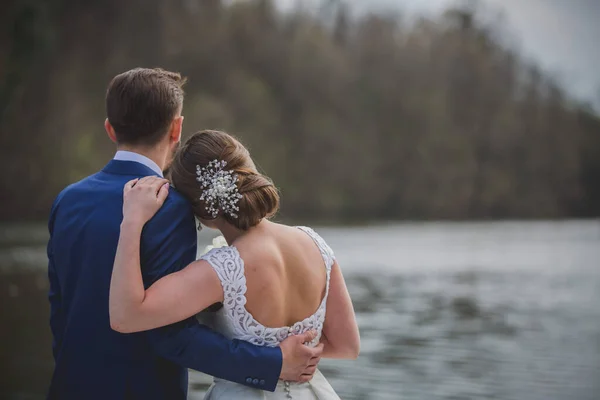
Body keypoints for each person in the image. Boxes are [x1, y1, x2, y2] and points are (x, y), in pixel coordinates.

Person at [46, 68, 322, 400]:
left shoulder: (68, 200)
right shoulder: (170, 206)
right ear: (177, 127)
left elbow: (60, 309)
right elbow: (171, 335)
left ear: (109, 128)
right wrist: (271, 363)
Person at [109, 129, 360, 399]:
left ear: (199, 210)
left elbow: (126, 316)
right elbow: (347, 345)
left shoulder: (223, 269)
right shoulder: (314, 243)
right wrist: (296, 355)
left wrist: (132, 221)